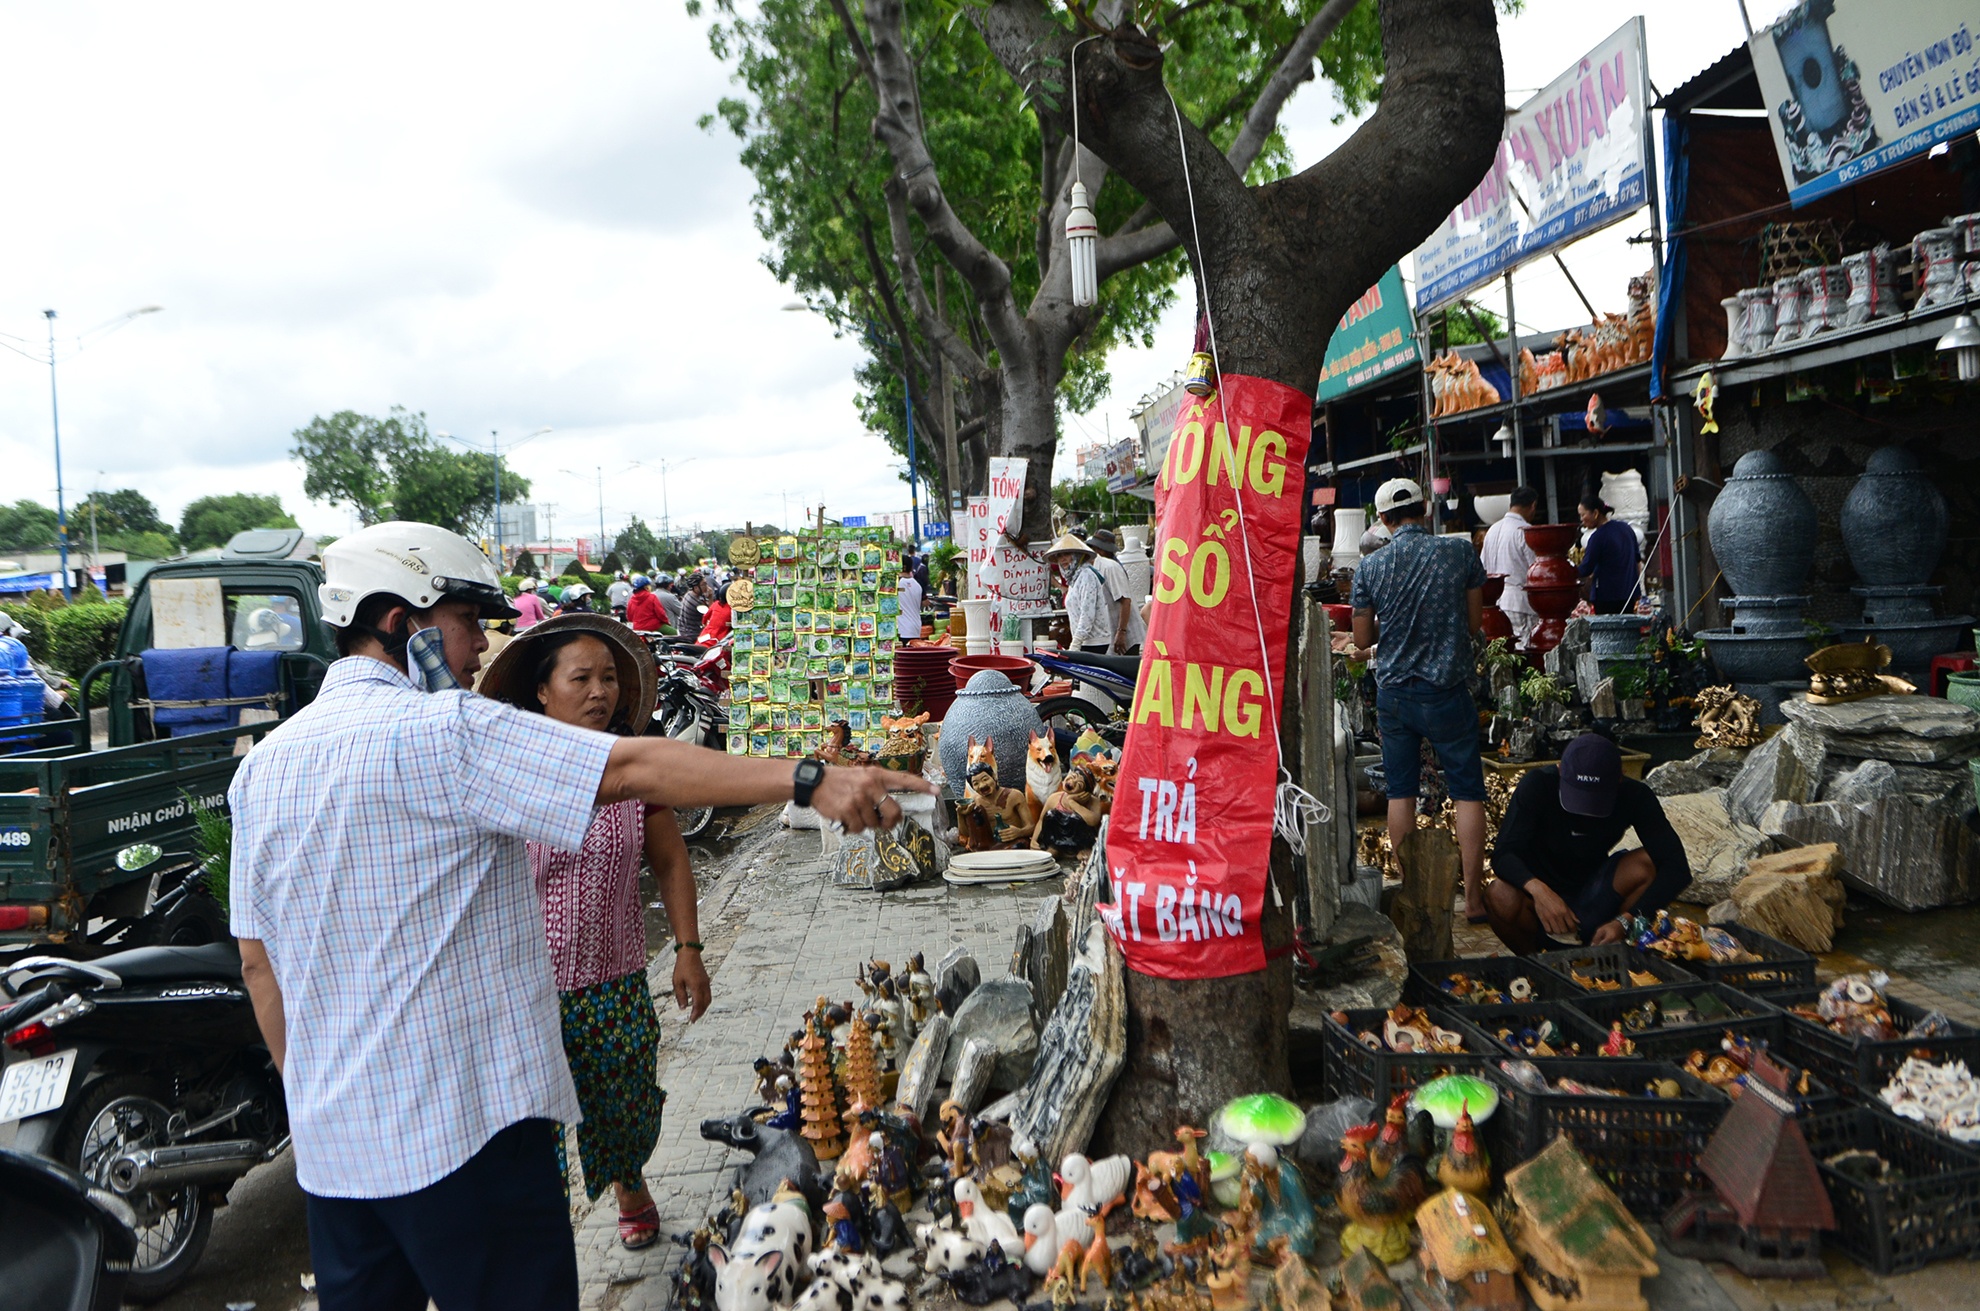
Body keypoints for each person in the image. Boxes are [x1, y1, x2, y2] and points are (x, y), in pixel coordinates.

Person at [228, 520, 927, 1311]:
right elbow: (632, 767)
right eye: (467, 621)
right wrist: (810, 780)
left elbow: (259, 964)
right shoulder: (443, 730)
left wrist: (319, 1103)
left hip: (337, 1160)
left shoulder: (261, 770)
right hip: (469, 1139)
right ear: (401, 620)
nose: (478, 646)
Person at [480, 615, 707, 1250]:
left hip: (615, 981)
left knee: (625, 1106)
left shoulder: (633, 773)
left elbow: (671, 861)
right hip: (525, 992)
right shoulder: (507, 775)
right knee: (536, 1129)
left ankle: (628, 1180)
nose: (600, 691)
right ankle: (544, 1237)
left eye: (608, 678)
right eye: (581, 678)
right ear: (541, 691)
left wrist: (688, 950)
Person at [1347, 478, 1490, 923]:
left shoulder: (1370, 567)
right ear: (1425, 508)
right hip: (1447, 692)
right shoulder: (1459, 553)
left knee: (1401, 791)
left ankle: (1413, 895)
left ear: (1383, 519)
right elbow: (1473, 624)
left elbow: (1361, 639)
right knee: (1467, 791)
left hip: (1395, 695)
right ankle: (1474, 900)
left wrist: (1393, 626)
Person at [1485, 732, 1690, 954]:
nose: (1586, 812)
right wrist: (1539, 891)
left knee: (1647, 863)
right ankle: (1537, 962)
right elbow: (1503, 853)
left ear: (1620, 778)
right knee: (1499, 894)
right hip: (1539, 904)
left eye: (1596, 800)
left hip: (1595, 896)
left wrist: (1626, 920)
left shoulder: (1635, 795)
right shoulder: (1538, 785)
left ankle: (1613, 951)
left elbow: (1677, 868)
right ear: (1560, 770)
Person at [1478, 486, 1540, 645]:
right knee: (1523, 647)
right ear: (1533, 505)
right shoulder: (1525, 531)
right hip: (1520, 602)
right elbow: (1537, 569)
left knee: (1504, 649)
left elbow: (1482, 567)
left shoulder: (1492, 530)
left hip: (1497, 603)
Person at [1044, 532, 1112, 653]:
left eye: (1067, 554)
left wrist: (1076, 643)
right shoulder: (1074, 578)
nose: (1063, 559)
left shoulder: (1086, 575)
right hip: (1084, 641)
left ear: (1076, 555)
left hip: (1094, 641)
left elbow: (1087, 613)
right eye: (1059, 556)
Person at [1085, 529, 1145, 656]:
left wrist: (1121, 632)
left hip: (1127, 631)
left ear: (1100, 550)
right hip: (1112, 629)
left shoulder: (1110, 567)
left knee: (1126, 665)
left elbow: (1125, 601)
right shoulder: (1094, 568)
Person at [1577, 495, 1640, 614]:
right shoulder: (1626, 528)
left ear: (1595, 513)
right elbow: (1637, 561)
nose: (1581, 519)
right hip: (1629, 593)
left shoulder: (1597, 537)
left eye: (1583, 514)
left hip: (1606, 596)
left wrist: (1567, 572)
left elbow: (1585, 569)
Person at [697, 581, 733, 645]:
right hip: (716, 642)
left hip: (704, 637)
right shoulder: (732, 610)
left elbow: (705, 618)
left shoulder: (715, 604)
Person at [896, 562, 924, 641]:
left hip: (902, 630)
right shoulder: (918, 584)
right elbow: (925, 602)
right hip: (916, 628)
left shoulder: (897, 583)